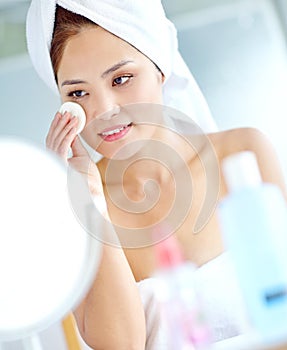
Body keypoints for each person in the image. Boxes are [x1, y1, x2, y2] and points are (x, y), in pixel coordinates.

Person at [26, 1, 287, 349]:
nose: (104, 110)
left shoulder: (242, 153)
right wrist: (89, 205)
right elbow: (122, 345)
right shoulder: (71, 210)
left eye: (121, 79)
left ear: (160, 68)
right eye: (78, 93)